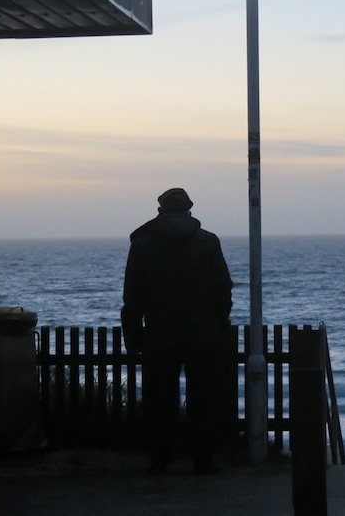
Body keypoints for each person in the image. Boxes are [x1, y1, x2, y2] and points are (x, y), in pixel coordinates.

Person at [121, 188, 233, 474]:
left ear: (160, 211)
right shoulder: (208, 242)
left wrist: (134, 337)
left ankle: (159, 459)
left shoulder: (143, 244)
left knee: (159, 402)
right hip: (203, 335)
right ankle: (203, 459)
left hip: (159, 335)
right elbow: (224, 290)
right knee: (204, 400)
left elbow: (132, 296)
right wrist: (217, 326)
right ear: (189, 211)